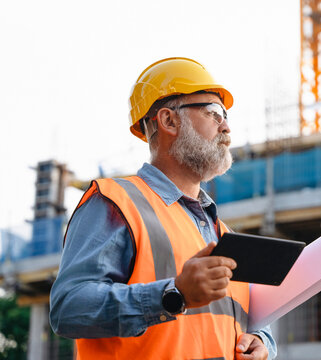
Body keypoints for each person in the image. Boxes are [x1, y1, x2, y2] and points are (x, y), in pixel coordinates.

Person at [50, 57, 276, 360]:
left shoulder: (223, 233)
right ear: (169, 121)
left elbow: (241, 321)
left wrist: (262, 342)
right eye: (214, 112)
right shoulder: (116, 202)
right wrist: (175, 295)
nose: (226, 126)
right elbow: (69, 308)